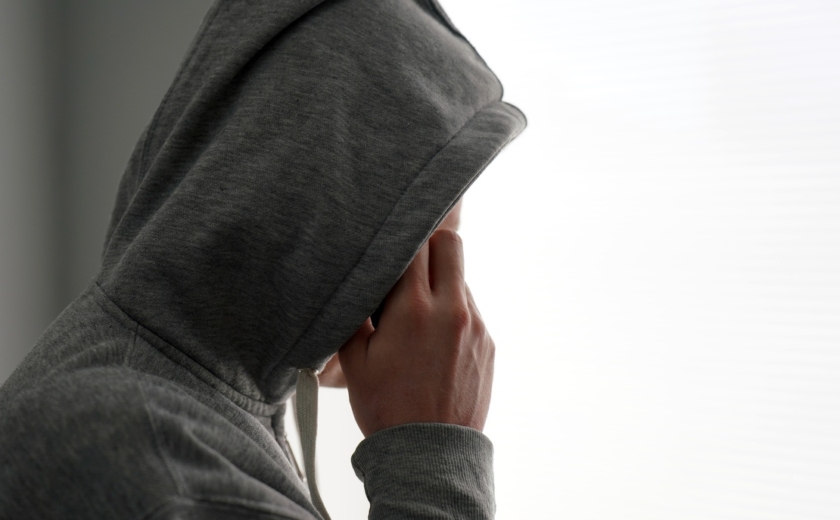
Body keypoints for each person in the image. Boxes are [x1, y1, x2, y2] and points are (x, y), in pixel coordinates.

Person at [0, 1, 526, 518]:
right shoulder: (153, 455)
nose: (438, 301)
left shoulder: (182, 401)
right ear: (333, 216)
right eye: (417, 235)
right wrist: (434, 453)